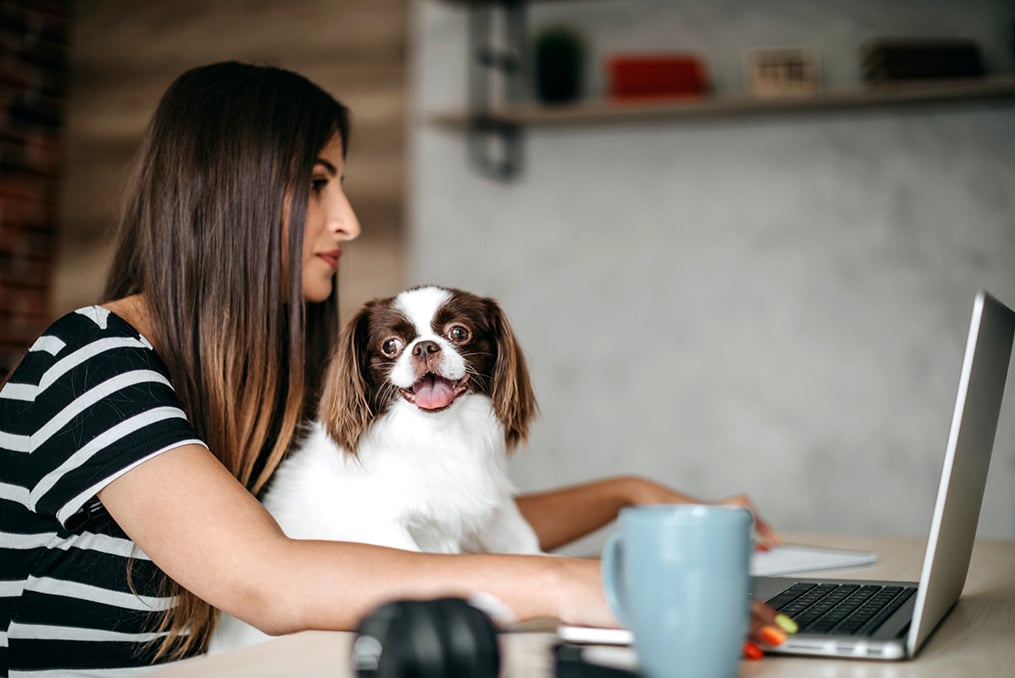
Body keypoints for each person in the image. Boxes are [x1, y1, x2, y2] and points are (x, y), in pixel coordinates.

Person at [0, 61, 790, 676]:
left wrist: (632, 497)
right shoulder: (93, 363)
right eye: (316, 184)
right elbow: (268, 582)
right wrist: (574, 588)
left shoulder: (266, 380)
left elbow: (439, 522)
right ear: (224, 195)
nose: (347, 219)